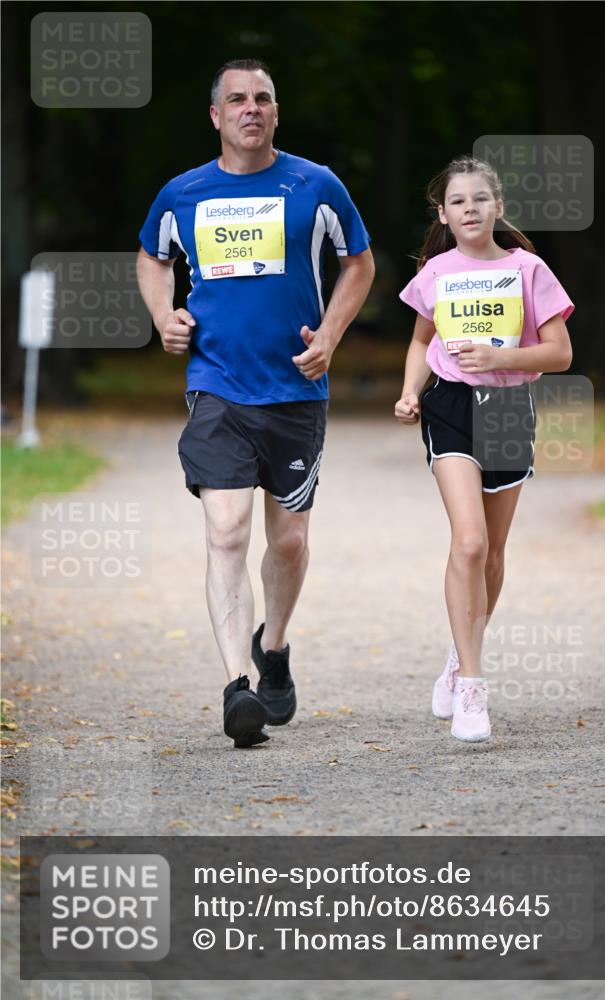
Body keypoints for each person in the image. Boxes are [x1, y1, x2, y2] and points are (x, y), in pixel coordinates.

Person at [137, 59, 374, 749]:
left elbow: (357, 262)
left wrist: (329, 335)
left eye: (262, 99)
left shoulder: (315, 185)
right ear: (216, 115)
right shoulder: (184, 193)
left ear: (275, 113)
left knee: (289, 541)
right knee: (226, 532)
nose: (250, 108)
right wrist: (164, 315)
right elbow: (152, 256)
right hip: (217, 384)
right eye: (236, 99)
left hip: (296, 389)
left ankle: (273, 645)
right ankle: (238, 686)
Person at [394, 155, 574, 744]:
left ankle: (458, 650)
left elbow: (560, 354)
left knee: (493, 551)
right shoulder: (436, 271)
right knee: (467, 541)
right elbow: (423, 340)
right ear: (442, 214)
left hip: (507, 410)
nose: (469, 209)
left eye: (479, 199)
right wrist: (408, 392)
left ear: (497, 206)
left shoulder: (529, 269)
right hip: (449, 407)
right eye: (457, 202)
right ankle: (472, 686)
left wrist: (503, 358)